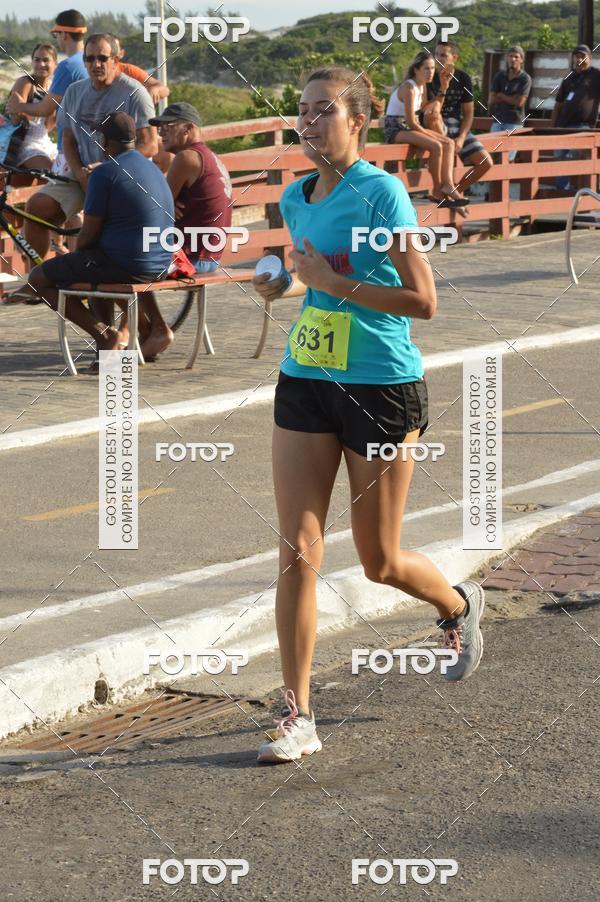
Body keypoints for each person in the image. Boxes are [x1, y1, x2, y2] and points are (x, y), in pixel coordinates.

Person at [252, 66, 486, 764]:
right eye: (302, 110)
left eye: (323, 110)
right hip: (306, 376)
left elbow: (422, 301)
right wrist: (282, 281)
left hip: (380, 385)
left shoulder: (381, 193)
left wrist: (332, 281)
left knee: (378, 560)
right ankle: (297, 714)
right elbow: (308, 272)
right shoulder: (295, 197)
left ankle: (456, 605)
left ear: (357, 121)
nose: (309, 121)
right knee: (297, 548)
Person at [28, 112, 174, 365]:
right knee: (92, 263)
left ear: (106, 142)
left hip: (130, 265)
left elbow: (88, 234)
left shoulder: (105, 173)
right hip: (162, 262)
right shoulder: (151, 167)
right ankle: (111, 345)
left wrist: (73, 257)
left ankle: (106, 337)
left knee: (38, 278)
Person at [17, 33, 158, 272]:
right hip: (84, 172)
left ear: (116, 59)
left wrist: (108, 168)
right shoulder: (74, 92)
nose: (96, 64)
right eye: (90, 59)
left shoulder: (134, 93)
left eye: (102, 58)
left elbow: (150, 145)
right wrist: (80, 173)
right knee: (36, 207)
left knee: (99, 232)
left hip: (123, 175)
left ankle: (91, 274)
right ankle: (36, 276)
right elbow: (68, 139)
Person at [136, 101, 234, 358]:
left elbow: (155, 210)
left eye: (168, 127)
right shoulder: (212, 157)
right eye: (159, 129)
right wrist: (168, 204)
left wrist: (164, 204)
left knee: (122, 264)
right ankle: (144, 333)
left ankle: (150, 332)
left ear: (189, 128)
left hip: (192, 259)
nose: (161, 134)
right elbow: (165, 204)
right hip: (210, 256)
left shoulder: (186, 158)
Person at [384, 51, 468, 207]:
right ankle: (437, 190)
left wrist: (444, 87)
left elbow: (429, 109)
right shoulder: (409, 88)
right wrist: (433, 136)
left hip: (410, 126)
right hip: (396, 128)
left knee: (449, 143)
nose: (431, 72)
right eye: (426, 68)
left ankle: (448, 185)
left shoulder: (421, 87)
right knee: (436, 145)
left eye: (432, 68)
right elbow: (411, 122)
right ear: (416, 69)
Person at [430, 41, 492, 196]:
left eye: (443, 55)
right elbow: (429, 110)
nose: (438, 58)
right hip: (435, 123)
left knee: (485, 162)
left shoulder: (463, 78)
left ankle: (455, 191)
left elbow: (469, 112)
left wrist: (462, 137)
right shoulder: (429, 76)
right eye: (436, 54)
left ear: (454, 57)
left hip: (456, 125)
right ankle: (445, 191)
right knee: (445, 153)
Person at [5, 44, 58, 185]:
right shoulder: (25, 83)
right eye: (37, 60)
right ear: (32, 62)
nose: (41, 64)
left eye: (46, 60)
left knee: (66, 171)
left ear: (55, 63)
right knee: (53, 176)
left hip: (45, 141)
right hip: (24, 142)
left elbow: (48, 127)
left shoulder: (53, 87)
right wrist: (37, 110)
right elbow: (15, 121)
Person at [551, 45, 600, 190]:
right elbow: (558, 105)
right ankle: (562, 190)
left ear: (590, 58)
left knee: (573, 155)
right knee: (559, 156)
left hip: (583, 126)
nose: (579, 59)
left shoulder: (596, 75)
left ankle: (581, 192)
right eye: (577, 56)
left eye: (583, 56)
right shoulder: (568, 78)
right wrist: (552, 129)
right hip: (562, 127)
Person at [489, 46, 532, 162]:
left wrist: (501, 95)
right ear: (506, 58)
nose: (513, 59)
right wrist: (511, 98)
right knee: (491, 153)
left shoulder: (525, 78)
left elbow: (520, 102)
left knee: (508, 157)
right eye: (510, 56)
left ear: (521, 60)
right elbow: (491, 100)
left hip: (514, 121)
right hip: (498, 120)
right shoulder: (499, 76)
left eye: (516, 57)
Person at [112, 35, 170, 104]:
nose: (109, 52)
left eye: (113, 49)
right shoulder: (99, 73)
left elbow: (165, 89)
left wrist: (154, 90)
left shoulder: (128, 70)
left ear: (121, 53)